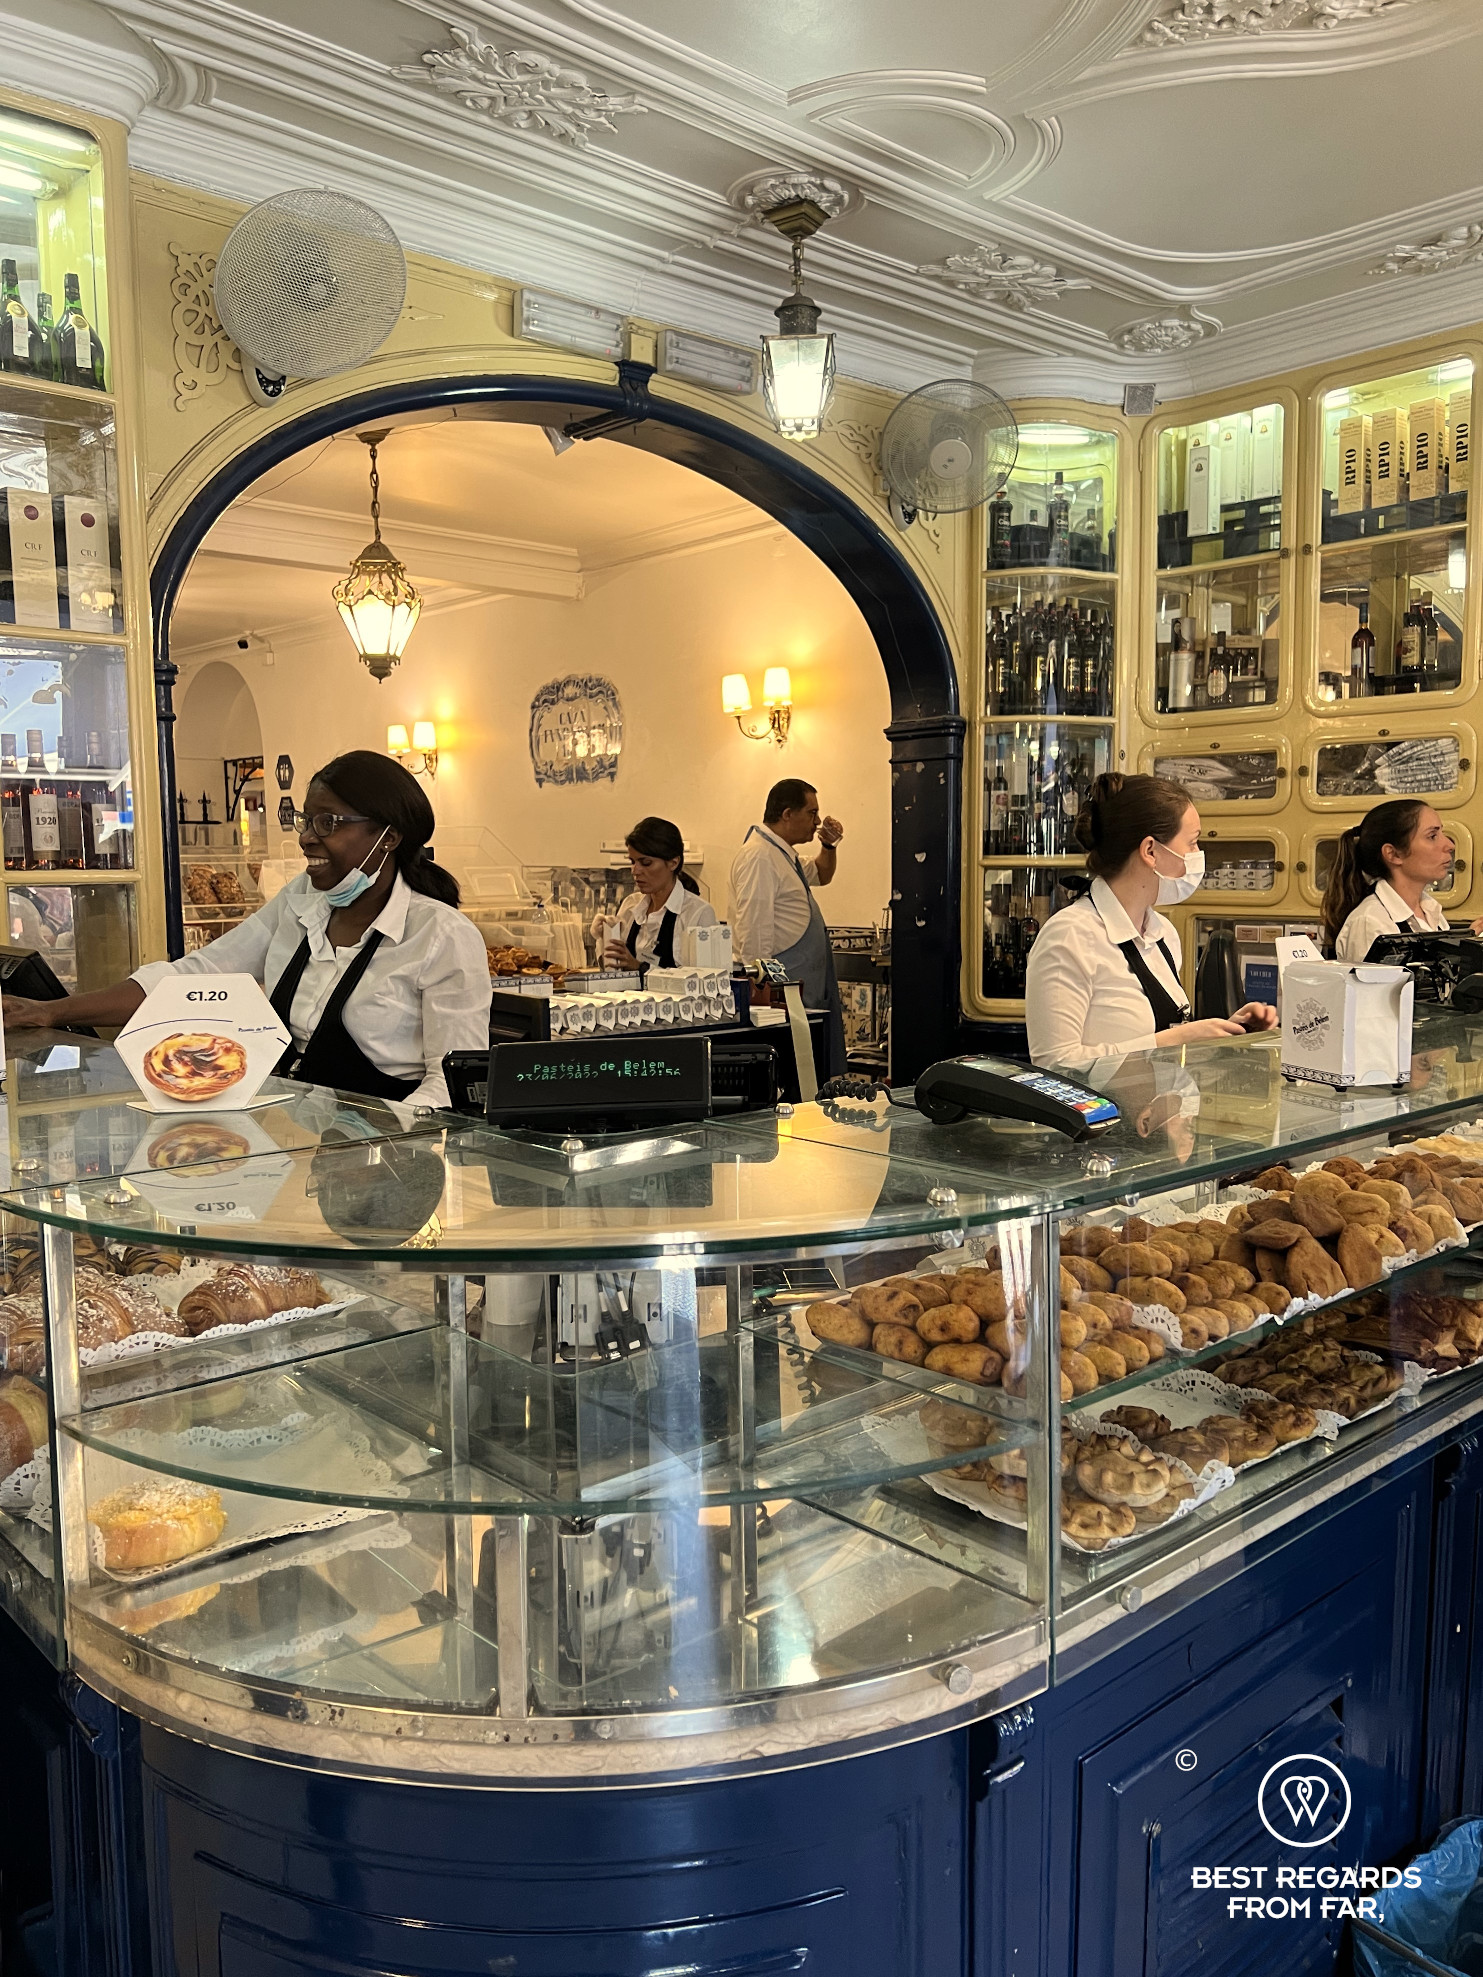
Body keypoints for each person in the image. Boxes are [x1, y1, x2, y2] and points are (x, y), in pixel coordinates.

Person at [2, 750, 492, 1110]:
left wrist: (388, 1136)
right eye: (306, 820)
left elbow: (452, 1080)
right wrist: (52, 1011)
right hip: (292, 1135)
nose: (306, 837)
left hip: (390, 1156)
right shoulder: (301, 901)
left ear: (388, 836)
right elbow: (196, 974)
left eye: (328, 822)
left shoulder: (440, 937)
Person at [1024, 771, 1277, 1071]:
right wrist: (1171, 1041)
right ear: (1150, 851)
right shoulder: (1069, 937)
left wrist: (1223, 1034)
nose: (1198, 856)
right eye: (1192, 843)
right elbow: (1055, 1065)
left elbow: (1164, 1039)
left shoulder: (1163, 935)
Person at [729, 777, 846, 1075]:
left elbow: (821, 874)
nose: (817, 821)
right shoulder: (759, 856)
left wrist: (828, 845)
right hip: (783, 993)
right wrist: (764, 994)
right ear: (787, 814)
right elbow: (754, 930)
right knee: (796, 1077)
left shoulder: (782, 854)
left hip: (803, 988)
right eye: (811, 813)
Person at [1321, 799, 1482, 960]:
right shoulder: (1370, 922)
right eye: (1432, 836)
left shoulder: (1431, 913)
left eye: (1442, 833)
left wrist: (1466, 948)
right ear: (1393, 854)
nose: (1449, 845)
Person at [591, 816, 717, 970]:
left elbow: (701, 982)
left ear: (673, 863)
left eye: (646, 863)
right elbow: (612, 972)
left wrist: (639, 968)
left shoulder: (698, 913)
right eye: (632, 862)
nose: (635, 871)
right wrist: (605, 938)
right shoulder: (631, 905)